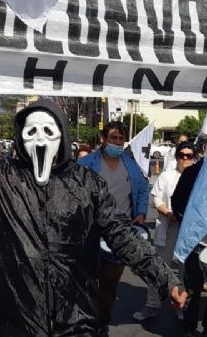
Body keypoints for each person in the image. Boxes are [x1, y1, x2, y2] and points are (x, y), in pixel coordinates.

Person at [0, 87, 186, 335]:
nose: (40, 138)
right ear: (20, 137)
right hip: (7, 322)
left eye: (48, 130)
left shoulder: (88, 184)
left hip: (73, 322)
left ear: (62, 136)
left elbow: (124, 238)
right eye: (32, 131)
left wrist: (166, 280)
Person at [77, 121, 150, 326]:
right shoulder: (85, 164)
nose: (117, 142)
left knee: (109, 284)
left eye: (120, 139)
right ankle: (83, 321)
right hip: (90, 234)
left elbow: (143, 189)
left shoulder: (131, 165)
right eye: (113, 138)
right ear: (102, 139)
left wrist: (142, 213)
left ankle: (102, 322)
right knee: (85, 281)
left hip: (120, 234)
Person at [133, 142, 196, 322]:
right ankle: (152, 305)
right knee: (159, 268)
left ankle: (180, 305)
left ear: (194, 158)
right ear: (176, 157)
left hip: (188, 234)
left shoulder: (198, 178)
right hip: (167, 228)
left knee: (184, 272)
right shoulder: (167, 176)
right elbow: (157, 200)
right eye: (181, 155)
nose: (185, 159)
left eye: (189, 156)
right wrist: (168, 213)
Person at [171, 139, 207, 337]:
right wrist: (190, 226)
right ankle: (189, 328)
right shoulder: (192, 173)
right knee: (193, 287)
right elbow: (176, 203)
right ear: (205, 149)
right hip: (196, 242)